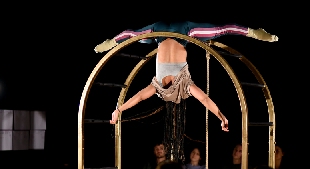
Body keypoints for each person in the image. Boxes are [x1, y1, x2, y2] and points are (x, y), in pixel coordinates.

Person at [96, 21, 278, 132]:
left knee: (132, 36)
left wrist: (119, 110)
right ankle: (254, 32)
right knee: (222, 30)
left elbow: (139, 97)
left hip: (158, 32)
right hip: (184, 32)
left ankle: (111, 42)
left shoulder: (159, 88)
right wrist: (220, 116)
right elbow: (205, 99)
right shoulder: (184, 86)